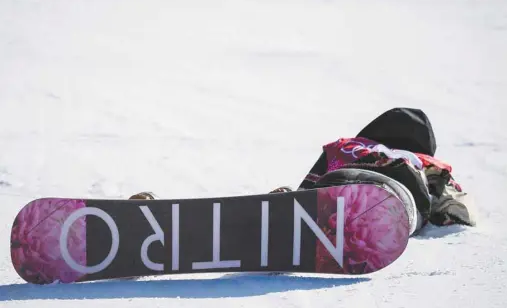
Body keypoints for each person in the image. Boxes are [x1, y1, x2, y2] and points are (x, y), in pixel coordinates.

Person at [129, 108, 476, 235]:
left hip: (338, 186)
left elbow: (307, 185)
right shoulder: (425, 162)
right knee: (395, 209)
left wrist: (290, 203)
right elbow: (456, 210)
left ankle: (147, 217)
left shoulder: (346, 146)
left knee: (316, 204)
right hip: (392, 199)